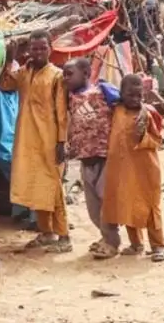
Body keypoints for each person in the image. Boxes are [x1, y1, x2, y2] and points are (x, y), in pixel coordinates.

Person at [0, 30, 71, 253]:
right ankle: (46, 233)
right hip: (27, 140)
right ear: (28, 50)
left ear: (51, 48)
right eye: (34, 48)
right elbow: (4, 84)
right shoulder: (24, 72)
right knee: (36, 187)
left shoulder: (57, 76)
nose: (38, 52)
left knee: (53, 188)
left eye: (42, 48)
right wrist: (8, 59)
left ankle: (64, 237)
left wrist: (62, 142)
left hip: (49, 139)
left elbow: (62, 112)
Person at [101, 75, 164, 263]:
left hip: (145, 168)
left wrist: (142, 135)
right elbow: (103, 87)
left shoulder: (148, 114)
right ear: (121, 94)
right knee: (127, 203)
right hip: (121, 168)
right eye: (130, 94)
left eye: (138, 95)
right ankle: (136, 243)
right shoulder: (116, 110)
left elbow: (157, 140)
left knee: (149, 206)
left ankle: (158, 245)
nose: (135, 99)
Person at [63, 58, 121, 259]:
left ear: (87, 73)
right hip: (85, 158)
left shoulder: (103, 92)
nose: (66, 78)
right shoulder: (68, 98)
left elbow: (125, 106)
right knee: (93, 207)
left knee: (106, 202)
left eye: (70, 74)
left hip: (105, 157)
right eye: (64, 74)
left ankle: (112, 242)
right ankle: (106, 236)